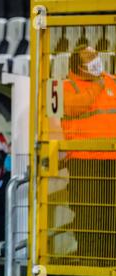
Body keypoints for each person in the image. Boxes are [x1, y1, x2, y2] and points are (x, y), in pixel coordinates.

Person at [61, 45, 116, 261]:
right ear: (78, 66)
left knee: (111, 213)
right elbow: (73, 107)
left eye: (96, 57)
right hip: (83, 161)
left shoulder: (111, 81)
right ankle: (89, 257)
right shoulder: (66, 85)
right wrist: (97, 86)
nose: (96, 62)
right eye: (89, 59)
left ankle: (110, 257)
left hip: (111, 160)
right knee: (86, 214)